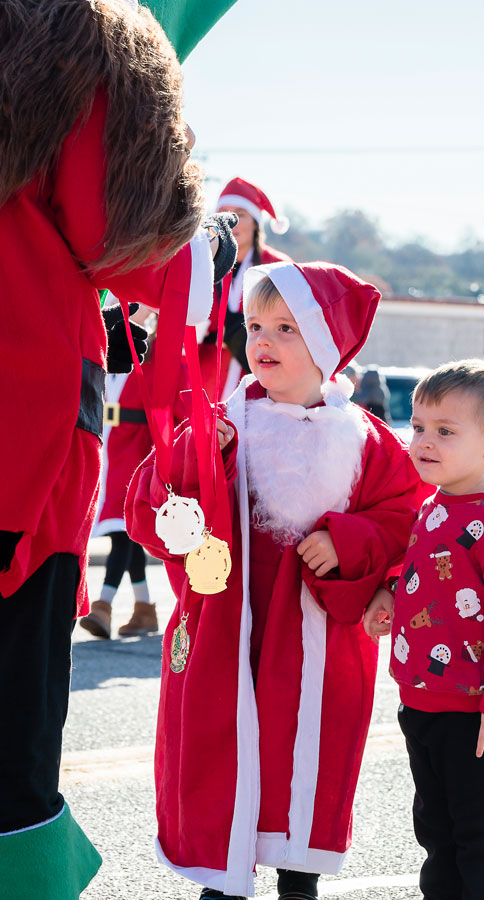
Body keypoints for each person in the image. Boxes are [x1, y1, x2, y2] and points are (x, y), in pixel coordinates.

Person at [0, 1, 237, 895]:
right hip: (20, 426)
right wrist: (199, 231)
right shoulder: (70, 35)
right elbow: (123, 237)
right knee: (13, 732)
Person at [126, 260, 431, 898]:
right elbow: (156, 509)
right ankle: (221, 880)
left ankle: (298, 878)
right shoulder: (223, 424)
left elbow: (406, 521)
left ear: (324, 342)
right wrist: (189, 478)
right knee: (221, 752)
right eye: (256, 325)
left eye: (286, 328)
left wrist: (349, 539)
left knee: (306, 761)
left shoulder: (367, 442)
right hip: (229, 634)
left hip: (318, 643)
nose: (262, 340)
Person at [363, 359, 484, 900]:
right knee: (436, 832)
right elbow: (420, 569)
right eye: (418, 426)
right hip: (419, 701)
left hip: (476, 713)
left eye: (444, 431)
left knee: (477, 836)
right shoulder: (431, 508)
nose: (423, 441)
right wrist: (389, 592)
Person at [80, 306, 191, 639]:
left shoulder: (165, 353)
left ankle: (103, 603)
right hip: (104, 444)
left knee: (123, 528)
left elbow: (182, 408)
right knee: (126, 530)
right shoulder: (107, 335)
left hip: (136, 451)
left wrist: (173, 457)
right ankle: (144, 608)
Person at [198, 177, 293, 400]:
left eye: (240, 215)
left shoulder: (278, 267)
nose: (231, 221)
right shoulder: (200, 262)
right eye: (224, 213)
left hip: (259, 381)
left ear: (255, 223)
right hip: (204, 378)